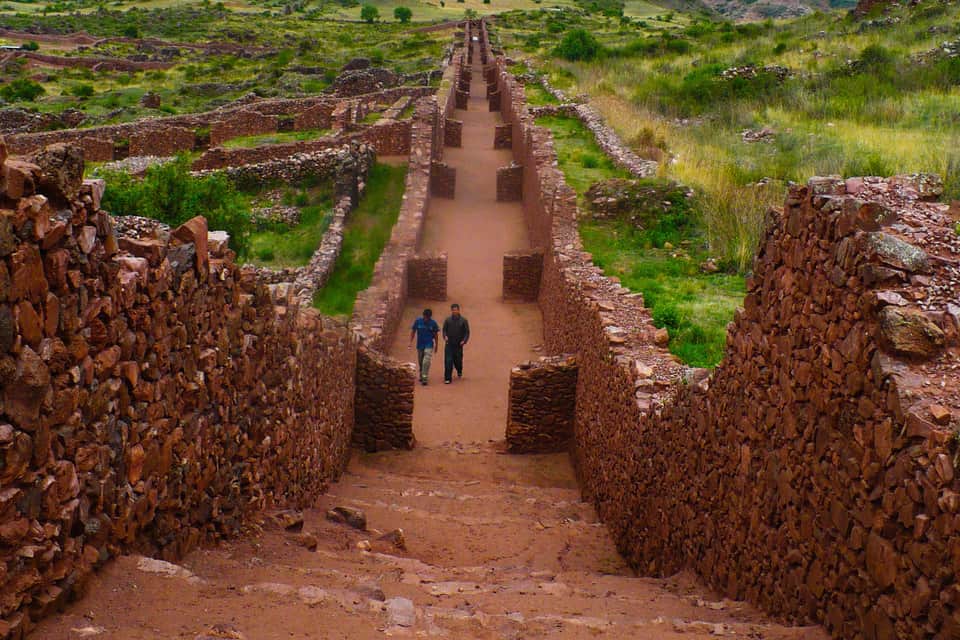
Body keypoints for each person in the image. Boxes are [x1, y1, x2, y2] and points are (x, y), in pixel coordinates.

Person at [409, 308, 439, 385]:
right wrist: (410, 342)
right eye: (425, 317)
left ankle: (424, 378)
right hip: (420, 344)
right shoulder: (418, 321)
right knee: (421, 361)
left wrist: (436, 345)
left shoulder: (433, 323)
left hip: (429, 344)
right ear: (423, 316)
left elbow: (436, 335)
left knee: (426, 360)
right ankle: (422, 373)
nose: (426, 319)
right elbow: (413, 331)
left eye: (427, 318)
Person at [442, 303, 470, 384]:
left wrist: (464, 341)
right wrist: (445, 336)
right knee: (448, 360)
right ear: (451, 311)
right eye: (453, 310)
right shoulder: (447, 320)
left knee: (458, 360)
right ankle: (447, 378)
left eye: (456, 310)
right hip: (449, 344)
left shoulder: (463, 321)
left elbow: (467, 332)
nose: (455, 312)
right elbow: (444, 330)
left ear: (458, 310)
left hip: (458, 345)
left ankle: (459, 369)